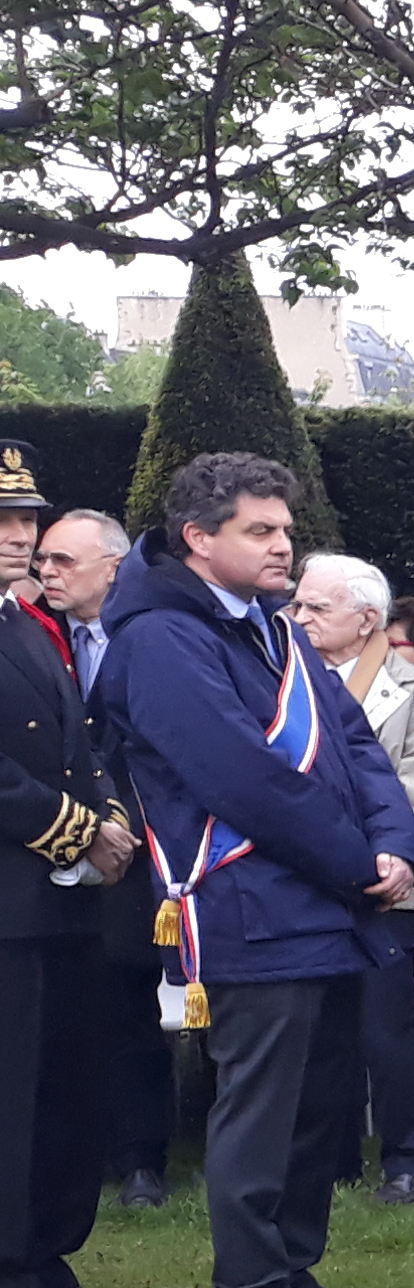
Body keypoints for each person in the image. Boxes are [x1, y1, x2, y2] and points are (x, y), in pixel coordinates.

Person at [92, 452, 414, 1288]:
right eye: (261, 531)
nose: (284, 546)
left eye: (285, 529)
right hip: (246, 901)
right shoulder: (159, 640)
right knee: (262, 1106)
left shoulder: (272, 632)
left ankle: (296, 1272)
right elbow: (243, 779)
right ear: (199, 539)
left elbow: (357, 748)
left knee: (322, 1108)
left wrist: (397, 845)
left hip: (323, 899)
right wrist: (360, 862)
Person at [0, 454, 140, 1288]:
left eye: (26, 522)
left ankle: (48, 1258)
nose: (18, 538)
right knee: (10, 1095)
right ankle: (9, 1278)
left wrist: (111, 817)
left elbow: (80, 742)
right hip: (7, 906)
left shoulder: (26, 625)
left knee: (63, 1087)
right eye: (4, 523)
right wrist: (77, 829)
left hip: (63, 902)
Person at [288, 554, 414, 1206]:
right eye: (297, 606)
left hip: (387, 886)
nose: (299, 618)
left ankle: (411, 1160)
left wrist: (359, 862)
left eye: (315, 609)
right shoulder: (282, 682)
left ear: (367, 620)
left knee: (387, 1029)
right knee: (318, 1030)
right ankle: (333, 1155)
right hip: (303, 886)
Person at [32, 506, 168, 1213]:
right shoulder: (31, 633)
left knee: (130, 1003)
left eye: (63, 561)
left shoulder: (149, 638)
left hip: (139, 847)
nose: (44, 571)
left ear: (113, 570)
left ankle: (143, 1156)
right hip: (47, 844)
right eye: (43, 560)